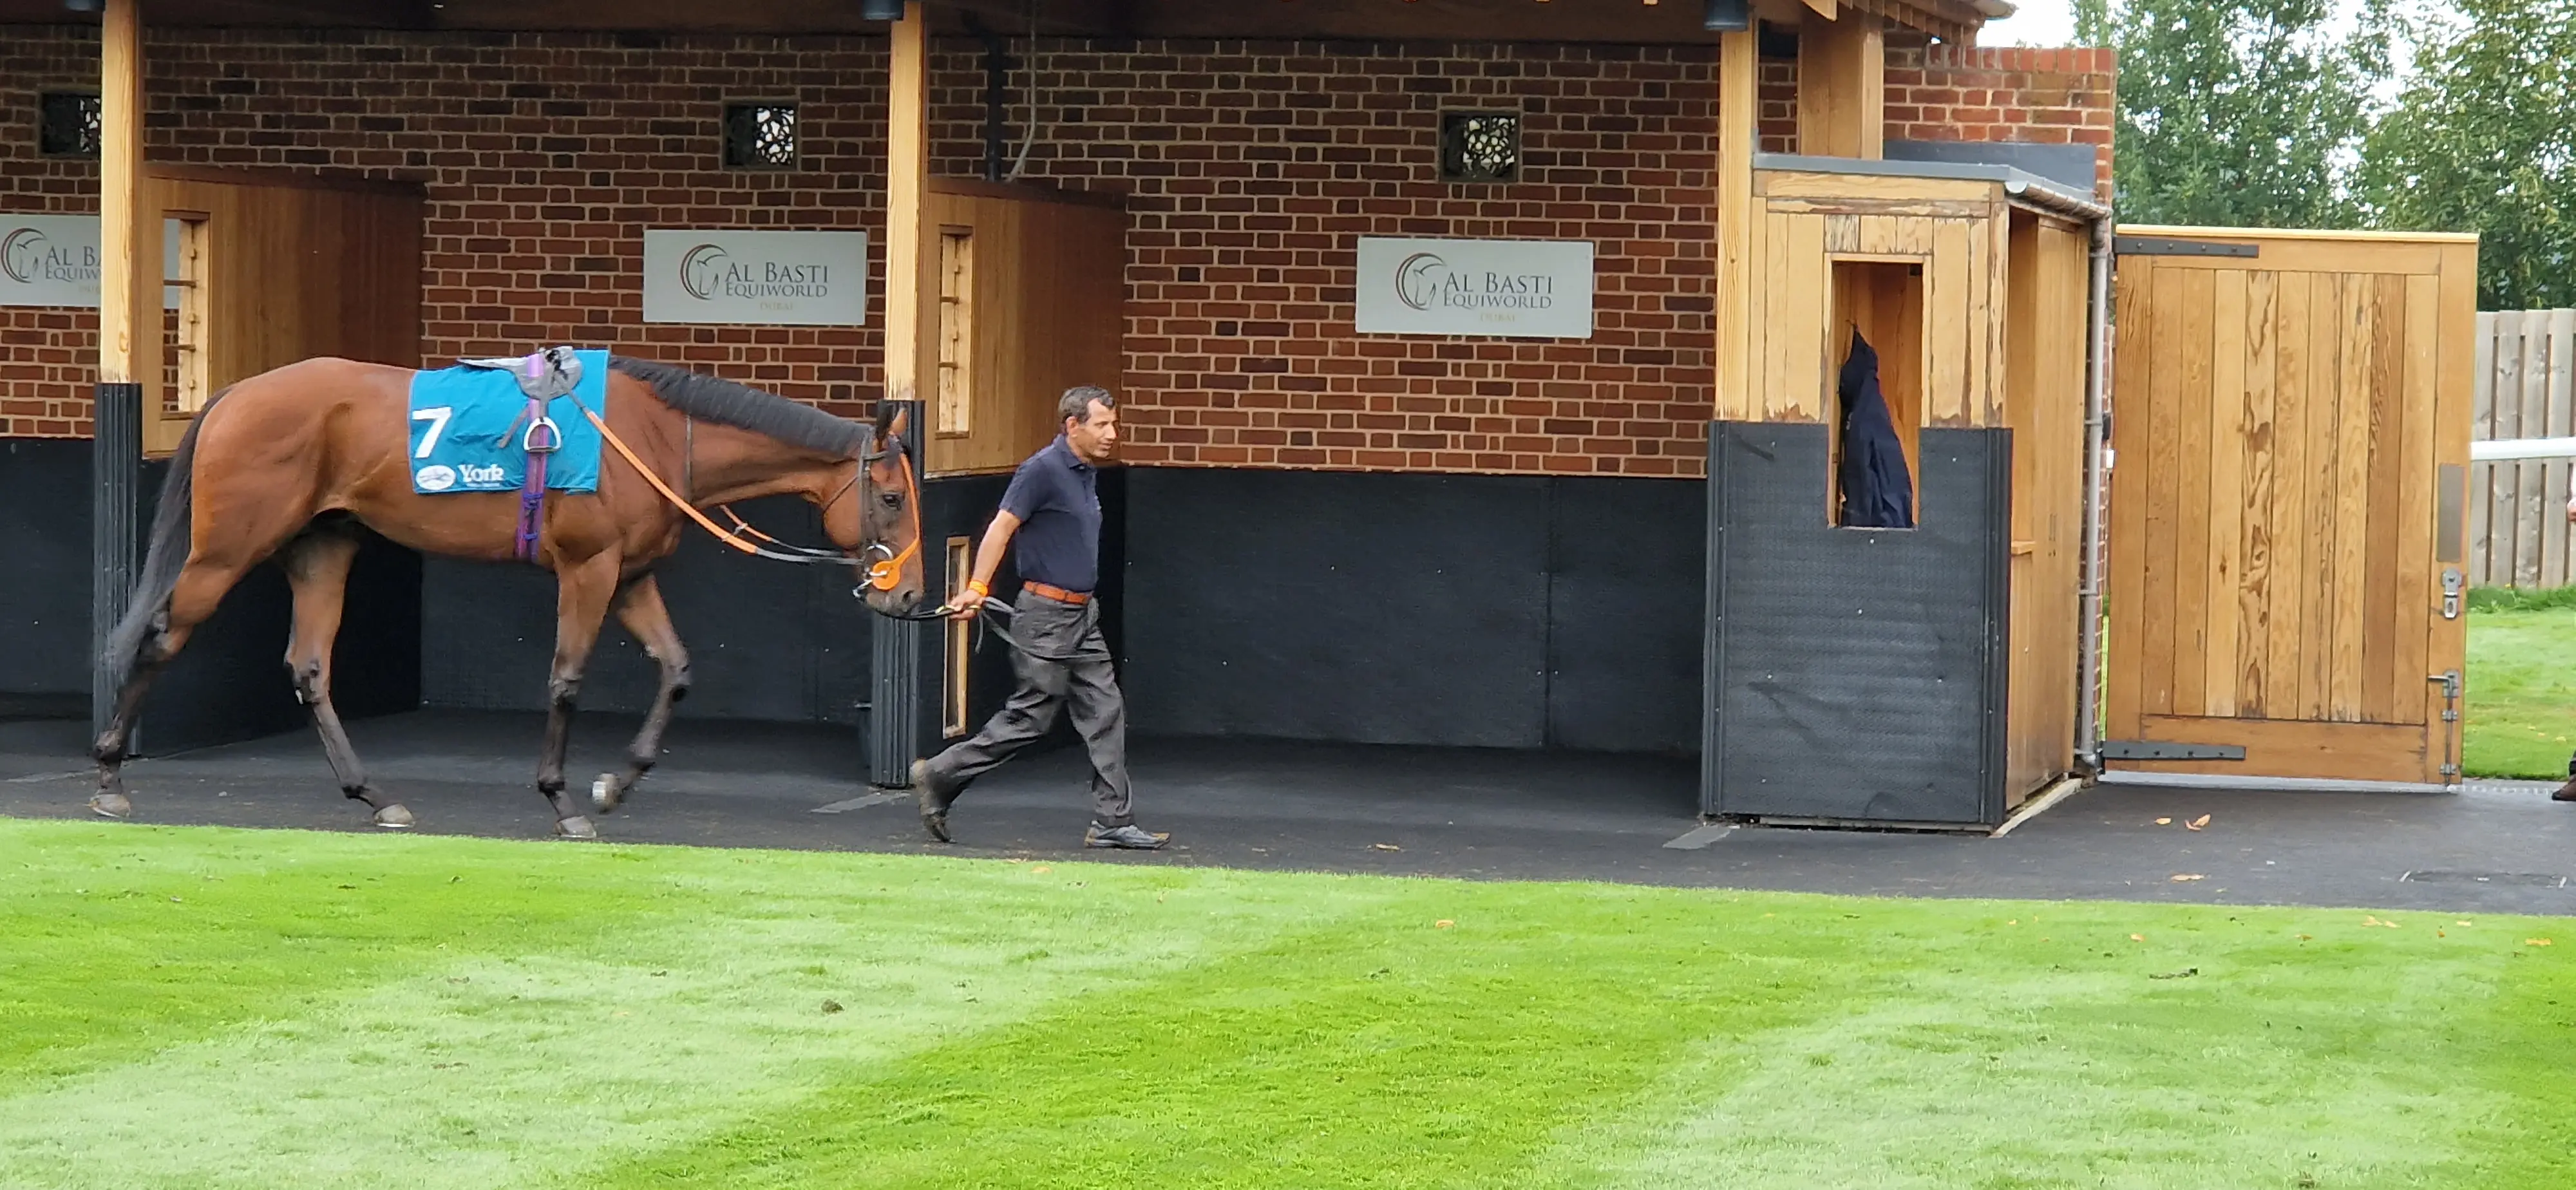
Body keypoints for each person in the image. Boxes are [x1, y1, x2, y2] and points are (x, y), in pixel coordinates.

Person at [910, 386, 1170, 849]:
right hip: (1046, 615)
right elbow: (1000, 527)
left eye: (1114, 424)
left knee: (1106, 709)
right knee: (1032, 717)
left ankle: (1113, 820)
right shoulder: (1042, 470)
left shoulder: (1085, 472)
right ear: (1073, 426)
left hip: (1082, 615)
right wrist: (976, 588)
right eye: (1102, 425)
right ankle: (940, 774)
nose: (1113, 433)